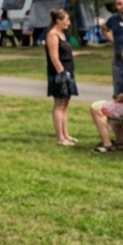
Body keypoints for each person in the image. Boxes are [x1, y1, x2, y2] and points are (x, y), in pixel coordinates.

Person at [44, 8, 78, 145]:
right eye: (66, 20)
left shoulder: (62, 34)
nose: (68, 23)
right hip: (59, 73)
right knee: (59, 104)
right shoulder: (52, 34)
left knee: (65, 104)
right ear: (57, 20)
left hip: (69, 71)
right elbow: (54, 57)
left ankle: (66, 134)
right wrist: (62, 73)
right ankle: (60, 138)